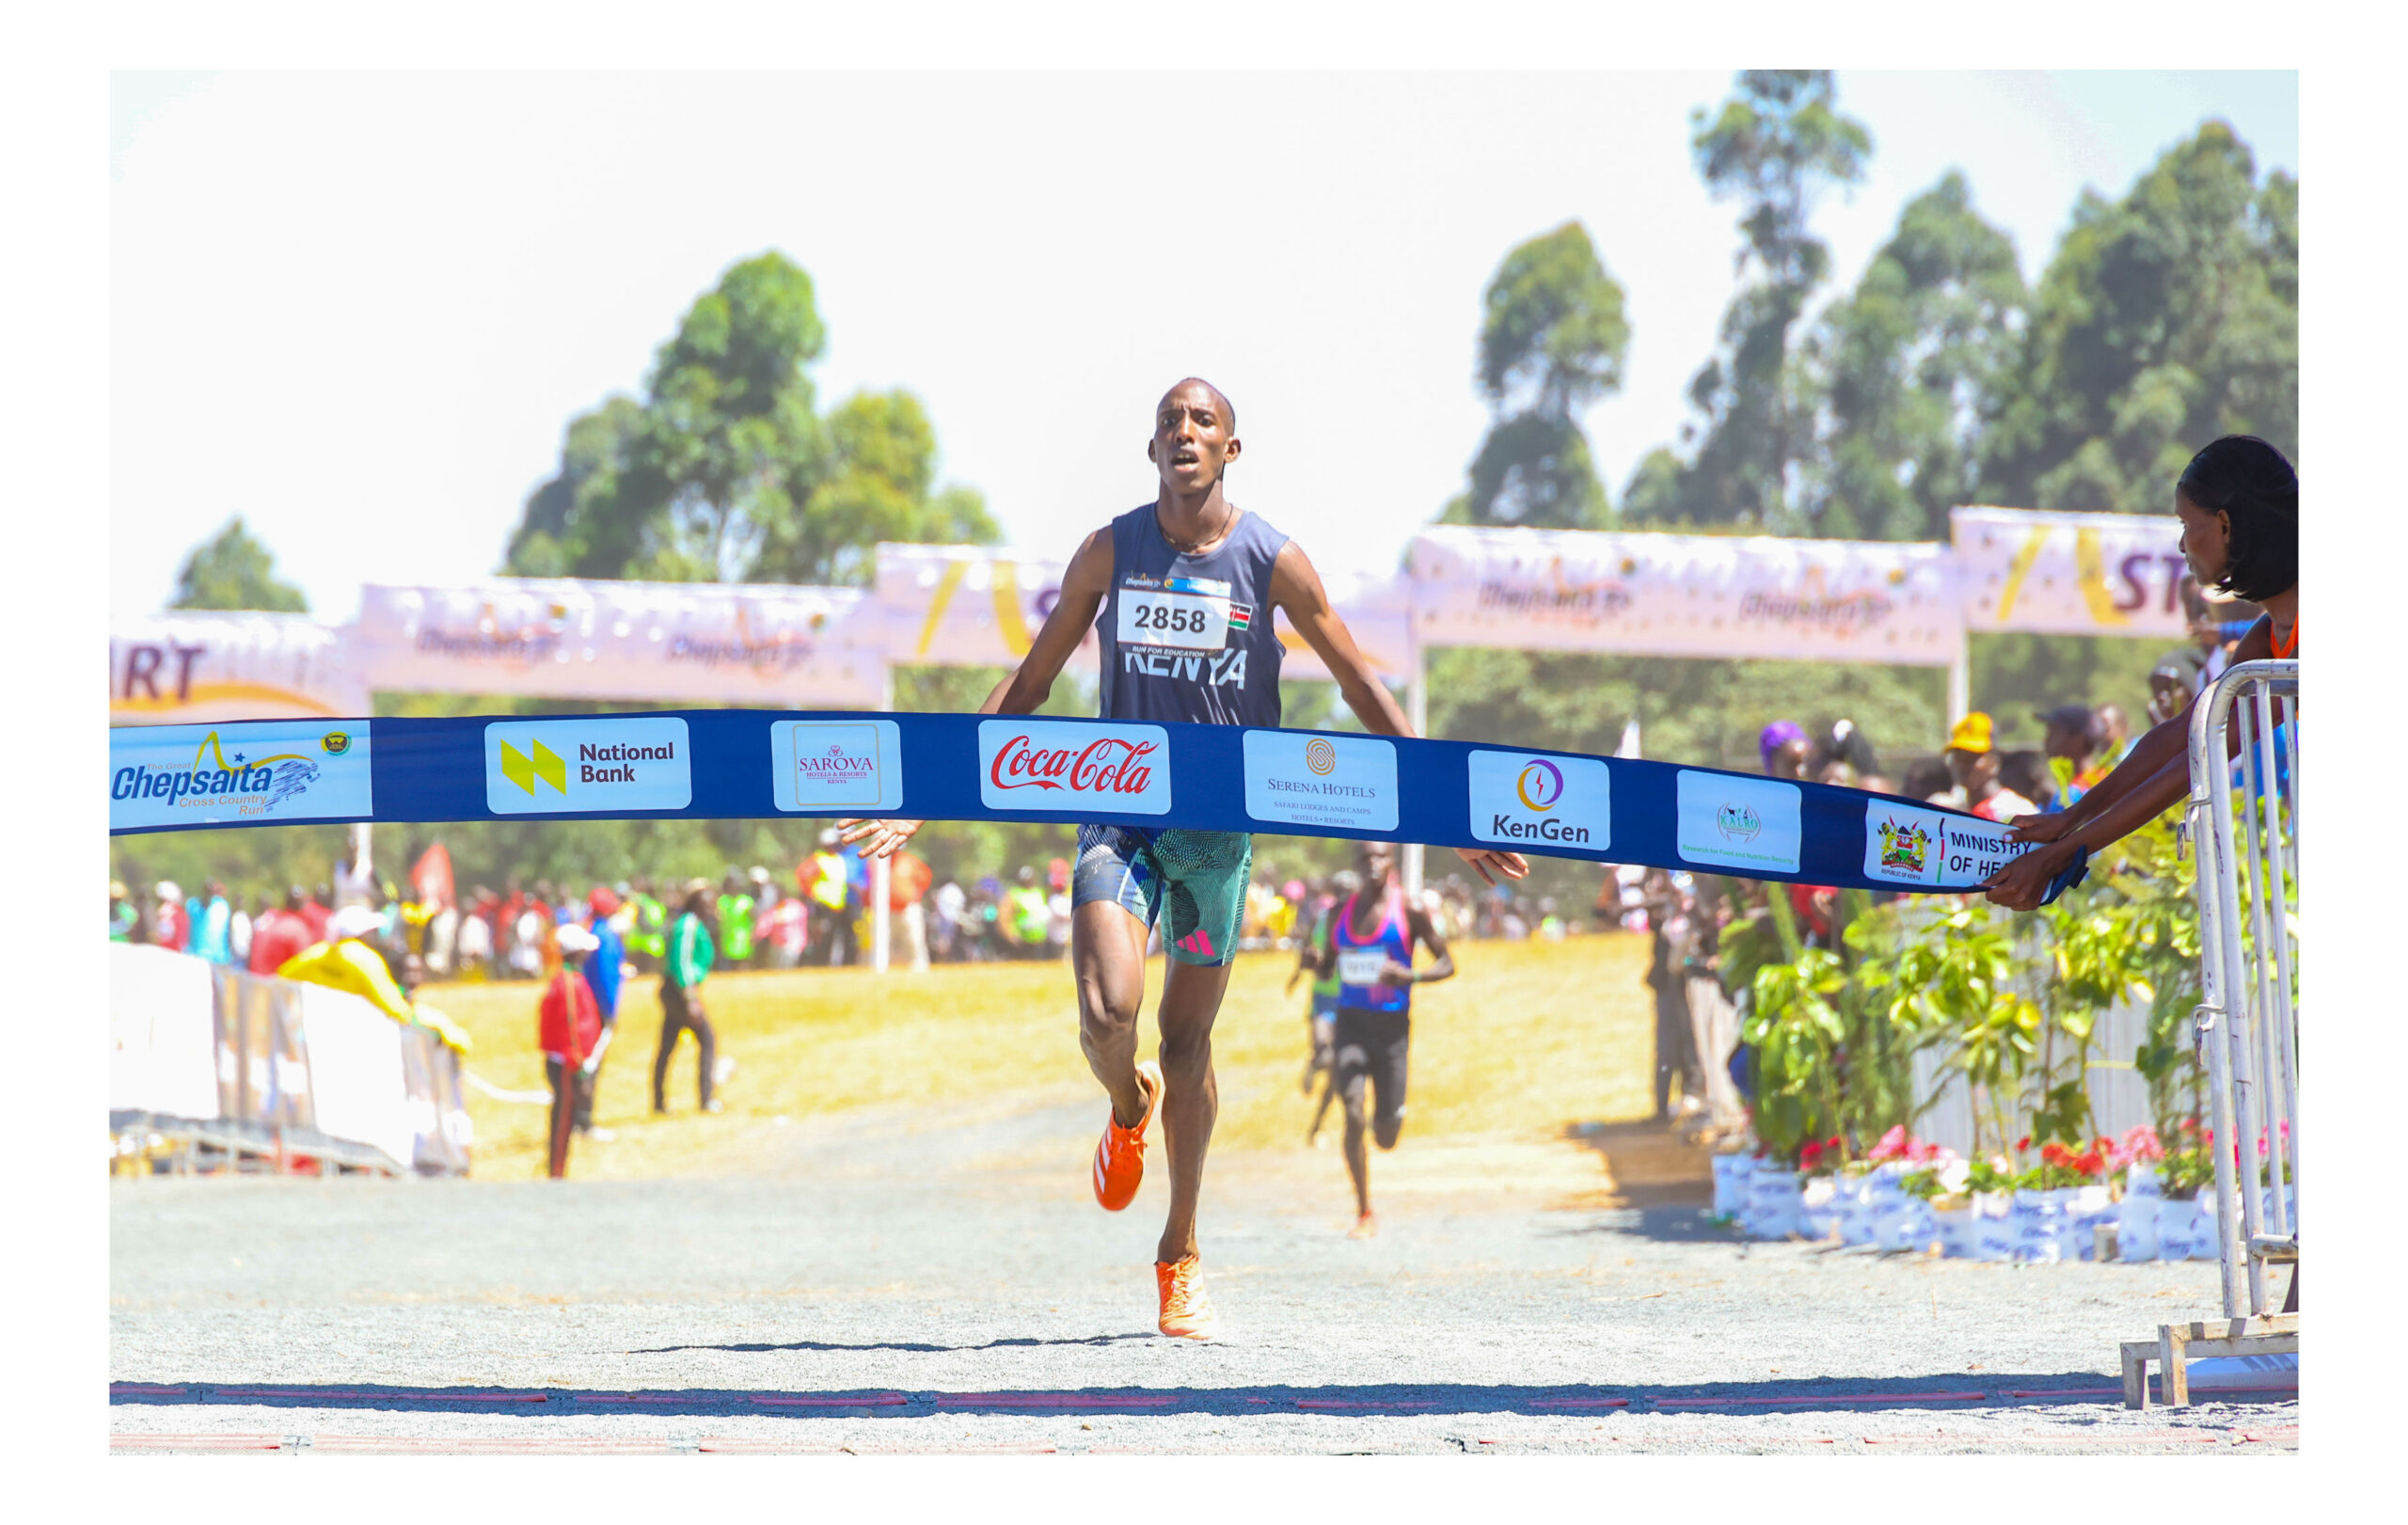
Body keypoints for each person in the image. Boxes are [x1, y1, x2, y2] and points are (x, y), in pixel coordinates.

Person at [841, 378, 1527, 1336]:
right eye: (1170, 422)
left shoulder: (1272, 561)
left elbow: (1362, 688)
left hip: (1217, 836)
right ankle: (1127, 1105)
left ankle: (1181, 1251)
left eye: (1203, 421)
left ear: (1230, 450)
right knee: (1103, 1010)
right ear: (1152, 450)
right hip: (1116, 816)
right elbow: (1028, 684)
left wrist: (1449, 805)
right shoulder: (1109, 551)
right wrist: (931, 791)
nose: (1185, 433)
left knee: (1189, 1040)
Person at [1985, 435, 2298, 1312]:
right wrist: (2072, 816)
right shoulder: (2273, 628)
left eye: (2188, 528)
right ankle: (2303, 1317)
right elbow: (2185, 733)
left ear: (2229, 525)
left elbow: (2200, 760)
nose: (2182, 546)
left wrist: (2074, 849)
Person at [1313, 839, 1456, 1240]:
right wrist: (1314, 961)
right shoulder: (1340, 912)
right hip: (1351, 1025)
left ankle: (1392, 1117)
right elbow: (1326, 970)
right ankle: (1364, 1211)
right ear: (1357, 865)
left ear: (1391, 862)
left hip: (1392, 1032)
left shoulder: (1409, 910)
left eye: (1380, 857)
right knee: (1353, 1111)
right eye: (1366, 858)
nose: (1373, 864)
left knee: (1386, 1134)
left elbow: (1447, 964)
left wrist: (1410, 976)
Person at [540, 924, 605, 1180]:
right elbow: (570, 1022)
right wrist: (577, 1059)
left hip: (571, 1059)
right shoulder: (568, 982)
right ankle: (557, 1170)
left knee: (566, 1116)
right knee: (563, 1118)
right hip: (567, 1061)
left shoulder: (572, 979)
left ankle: (559, 1167)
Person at [653, 880, 722, 1115]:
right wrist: (690, 999)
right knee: (707, 1039)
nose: (710, 907)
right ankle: (706, 1099)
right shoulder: (688, 925)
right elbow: (681, 962)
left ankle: (659, 1103)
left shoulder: (692, 924)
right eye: (706, 903)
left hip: (679, 990)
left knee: (667, 1046)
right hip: (680, 991)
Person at [578, 887, 626, 1140]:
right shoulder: (606, 936)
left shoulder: (590, 932)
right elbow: (607, 978)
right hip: (598, 1008)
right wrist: (611, 1011)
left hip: (586, 1007)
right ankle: (585, 1121)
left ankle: (578, 1118)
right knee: (592, 1064)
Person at [1941, 712, 2039, 823]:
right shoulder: (1952, 809)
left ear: (1995, 761)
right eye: (1958, 756)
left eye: (1972, 757)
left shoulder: (2015, 811)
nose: (1962, 764)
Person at [2036, 703, 2112, 810]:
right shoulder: (2108, 779)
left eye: (2053, 732)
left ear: (2077, 739)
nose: (2046, 740)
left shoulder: (2072, 794)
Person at [800, 830, 857, 966]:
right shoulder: (818, 858)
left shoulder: (838, 859)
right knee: (823, 938)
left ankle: (846, 964)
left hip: (839, 905)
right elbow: (803, 877)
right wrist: (812, 896)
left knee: (845, 937)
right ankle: (820, 964)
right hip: (823, 905)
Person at [717, 869, 756, 971]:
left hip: (743, 941)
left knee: (742, 968)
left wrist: (754, 934)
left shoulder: (745, 901)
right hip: (727, 941)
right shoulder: (723, 901)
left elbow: (755, 918)